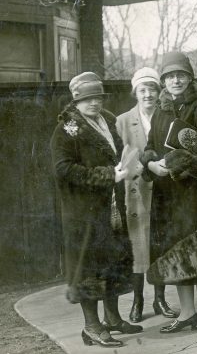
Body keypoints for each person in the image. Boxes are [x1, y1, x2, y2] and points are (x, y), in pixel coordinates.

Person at [51, 72, 143, 348]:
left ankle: (112, 319)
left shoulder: (108, 121)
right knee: (89, 268)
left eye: (98, 98)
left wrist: (129, 167)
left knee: (112, 263)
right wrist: (107, 175)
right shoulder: (67, 129)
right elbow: (63, 170)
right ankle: (92, 326)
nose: (94, 103)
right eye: (88, 99)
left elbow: (120, 154)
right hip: (84, 213)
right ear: (76, 101)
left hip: (110, 208)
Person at [141, 51, 197, 340]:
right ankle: (186, 313)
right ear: (163, 80)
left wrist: (173, 164)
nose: (175, 80)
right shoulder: (161, 110)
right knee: (175, 254)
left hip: (191, 192)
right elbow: (150, 144)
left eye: (181, 75)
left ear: (189, 78)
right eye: (170, 76)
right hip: (166, 195)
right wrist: (151, 163)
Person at [116, 67, 177, 323]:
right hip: (136, 189)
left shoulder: (168, 116)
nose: (148, 94)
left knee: (160, 245)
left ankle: (160, 299)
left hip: (164, 189)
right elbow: (119, 156)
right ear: (135, 93)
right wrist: (137, 165)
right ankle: (138, 300)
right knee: (138, 244)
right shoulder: (123, 121)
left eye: (152, 89)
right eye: (143, 90)